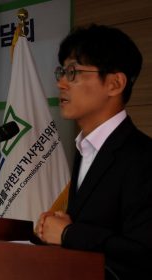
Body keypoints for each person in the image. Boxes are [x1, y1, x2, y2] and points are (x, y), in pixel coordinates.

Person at [34, 24, 152, 279]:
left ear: (114, 83)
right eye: (62, 72)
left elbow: (144, 253)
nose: (61, 83)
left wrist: (68, 233)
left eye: (73, 72)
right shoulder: (85, 147)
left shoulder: (143, 158)